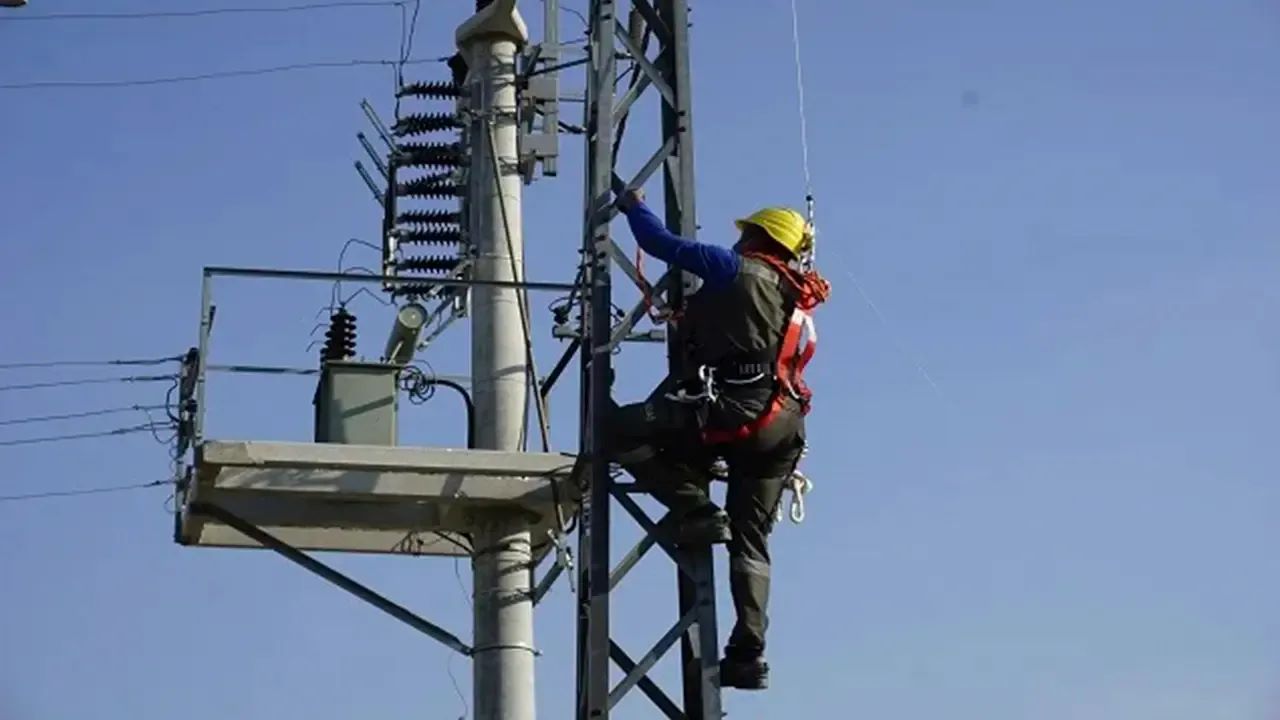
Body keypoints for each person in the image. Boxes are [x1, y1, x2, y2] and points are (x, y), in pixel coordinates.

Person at [609, 187, 830, 691]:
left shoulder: (734, 268)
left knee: (619, 429)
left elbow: (658, 241)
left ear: (757, 237)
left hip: (733, 410)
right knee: (752, 542)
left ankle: (698, 509)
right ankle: (748, 654)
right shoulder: (797, 292)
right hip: (784, 425)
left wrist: (631, 204)